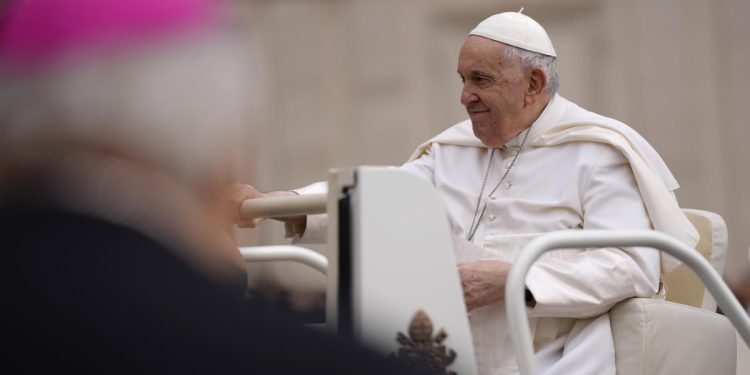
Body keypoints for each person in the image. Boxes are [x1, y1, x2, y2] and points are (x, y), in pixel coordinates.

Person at [230, 10, 699, 375]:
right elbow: (380, 197)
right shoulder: (452, 151)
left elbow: (630, 266)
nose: (464, 96)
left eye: (480, 80)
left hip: (557, 355)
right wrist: (279, 204)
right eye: (463, 80)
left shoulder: (598, 153)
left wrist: (512, 279)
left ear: (533, 85)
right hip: (455, 348)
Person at [0, 0, 418, 373]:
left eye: (480, 79)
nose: (467, 95)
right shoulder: (317, 363)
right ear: (222, 144)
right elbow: (414, 191)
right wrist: (289, 204)